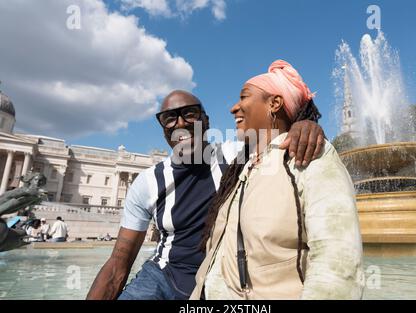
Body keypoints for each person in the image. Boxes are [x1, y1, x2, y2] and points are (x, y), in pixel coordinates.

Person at [86, 90, 326, 300]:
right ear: (163, 131)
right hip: (161, 279)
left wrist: (303, 126)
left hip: (221, 278)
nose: (180, 123)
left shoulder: (235, 156)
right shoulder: (147, 182)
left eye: (189, 113)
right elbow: (119, 262)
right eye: (170, 118)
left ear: (206, 121)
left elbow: (277, 136)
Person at [190, 60, 364, 300]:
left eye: (244, 97)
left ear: (275, 103)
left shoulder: (311, 157)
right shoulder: (241, 170)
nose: (233, 108)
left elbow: (338, 265)